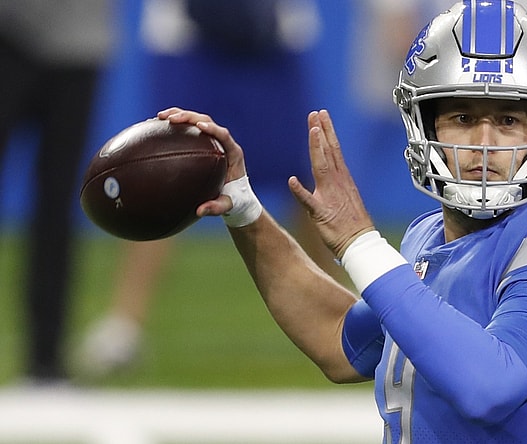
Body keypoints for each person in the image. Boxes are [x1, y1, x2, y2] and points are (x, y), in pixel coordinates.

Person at [164, 1, 527, 441]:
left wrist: (359, 243)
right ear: (423, 124)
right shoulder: (426, 239)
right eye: (462, 117)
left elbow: (493, 385)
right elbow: (339, 339)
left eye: (508, 120)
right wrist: (245, 208)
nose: (484, 143)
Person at [75, 0, 337, 379]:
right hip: (185, 32)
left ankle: (342, 309)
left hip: (274, 30)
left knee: (301, 174)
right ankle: (125, 321)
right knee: (157, 172)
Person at [0, 0, 115, 384]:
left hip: (78, 46)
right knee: (55, 207)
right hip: (9, 35)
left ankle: (45, 360)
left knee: (57, 208)